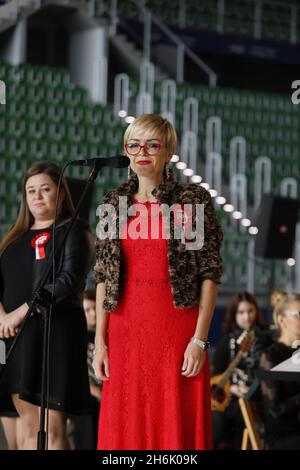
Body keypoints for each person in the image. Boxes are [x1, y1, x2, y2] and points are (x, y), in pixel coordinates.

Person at [92, 113, 223, 450]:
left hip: (177, 329)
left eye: (152, 144)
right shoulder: (113, 203)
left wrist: (200, 339)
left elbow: (209, 273)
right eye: (134, 145)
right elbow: (103, 275)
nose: (142, 151)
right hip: (124, 331)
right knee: (126, 425)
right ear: (126, 150)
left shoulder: (191, 200)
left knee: (175, 426)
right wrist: (101, 342)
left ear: (169, 152)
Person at [0, 161, 94, 450]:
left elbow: (66, 281)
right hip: (14, 336)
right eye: (31, 191)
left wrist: (19, 313)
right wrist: (2, 317)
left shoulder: (73, 230)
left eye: (45, 189)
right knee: (28, 431)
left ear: (62, 194)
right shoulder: (12, 239)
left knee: (51, 433)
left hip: (53, 334)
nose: (37, 197)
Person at [212, 292, 272, 449]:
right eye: (241, 312)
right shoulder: (227, 342)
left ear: (257, 312)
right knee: (215, 419)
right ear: (234, 315)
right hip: (229, 400)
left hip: (257, 399)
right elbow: (214, 377)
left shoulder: (267, 340)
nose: (247, 317)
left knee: (242, 411)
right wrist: (233, 388)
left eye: (250, 311)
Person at [259, 291, 300, 450]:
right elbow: (274, 410)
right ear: (282, 320)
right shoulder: (271, 356)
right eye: (298, 314)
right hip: (283, 437)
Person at [72, 290, 102, 450]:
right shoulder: (76, 338)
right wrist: (95, 391)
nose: (93, 315)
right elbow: (73, 375)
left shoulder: (108, 335)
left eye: (94, 309)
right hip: (86, 394)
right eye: (87, 310)